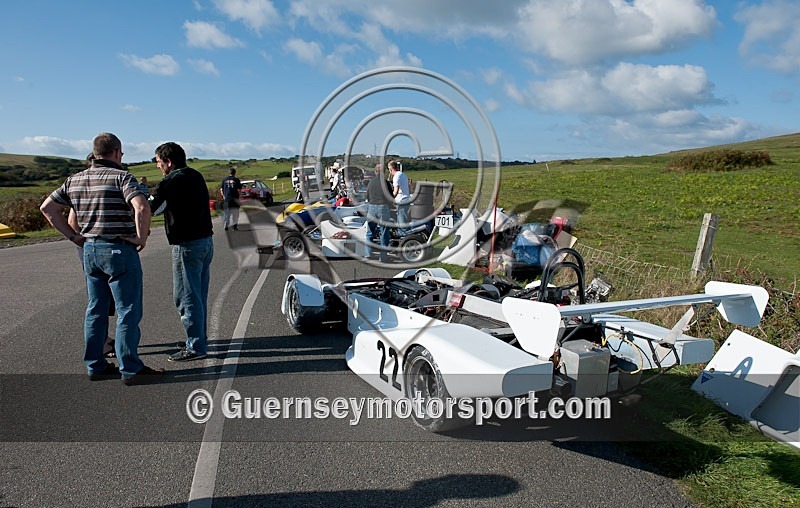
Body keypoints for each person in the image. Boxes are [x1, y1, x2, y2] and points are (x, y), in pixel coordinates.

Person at [39, 132, 161, 385]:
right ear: (117, 152)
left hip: (90, 248)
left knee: (95, 308)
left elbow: (47, 208)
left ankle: (95, 364)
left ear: (94, 153)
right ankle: (131, 367)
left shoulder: (74, 180)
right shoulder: (121, 178)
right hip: (117, 247)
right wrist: (141, 238)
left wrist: (73, 237)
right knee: (127, 310)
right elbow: (142, 206)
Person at [149, 142, 214, 362]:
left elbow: (152, 208)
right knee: (198, 294)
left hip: (187, 244)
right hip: (205, 240)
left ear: (168, 161)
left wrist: (143, 193)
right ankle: (198, 338)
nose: (158, 166)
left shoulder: (170, 182)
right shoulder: (196, 175)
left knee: (186, 296)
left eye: (159, 162)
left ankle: (195, 345)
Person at [364, 169, 392, 262]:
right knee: (384, 232)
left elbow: (367, 196)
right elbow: (390, 196)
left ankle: (368, 254)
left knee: (370, 232)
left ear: (375, 172)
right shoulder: (385, 183)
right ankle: (383, 257)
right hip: (382, 207)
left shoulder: (370, 183)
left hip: (371, 207)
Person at [389, 160, 410, 230]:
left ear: (390, 169)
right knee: (404, 221)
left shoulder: (396, 176)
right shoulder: (403, 174)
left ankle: (403, 237)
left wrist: (390, 198)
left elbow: (396, 191)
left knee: (402, 223)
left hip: (401, 201)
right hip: (405, 199)